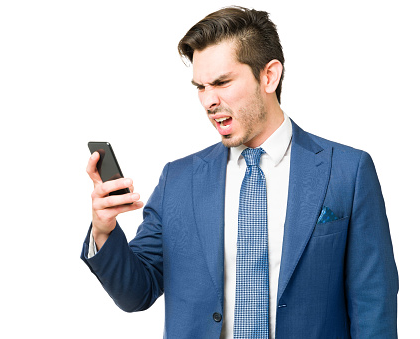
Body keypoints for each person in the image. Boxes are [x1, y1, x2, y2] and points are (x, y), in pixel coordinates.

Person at [82, 6, 398, 339]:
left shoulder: (348, 172)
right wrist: (104, 231)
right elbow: (137, 292)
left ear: (269, 76)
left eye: (221, 82)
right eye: (201, 87)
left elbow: (373, 307)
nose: (208, 101)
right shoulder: (179, 180)